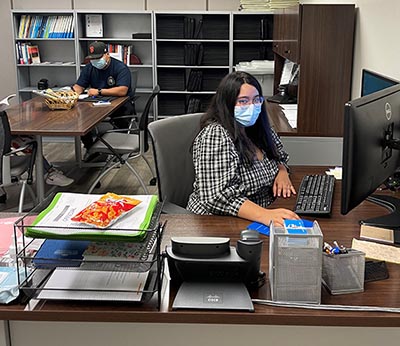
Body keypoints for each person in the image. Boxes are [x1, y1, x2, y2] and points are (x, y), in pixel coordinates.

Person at [187, 71, 300, 227]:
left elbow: (280, 156)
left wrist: (282, 171)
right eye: (243, 101)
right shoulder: (216, 135)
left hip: (255, 215)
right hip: (216, 222)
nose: (251, 107)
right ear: (227, 103)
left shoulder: (257, 128)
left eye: (256, 100)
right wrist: (265, 215)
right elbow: (216, 196)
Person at [72, 41, 135, 152]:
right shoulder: (89, 68)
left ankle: (118, 149)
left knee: (124, 112)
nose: (95, 61)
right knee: (80, 116)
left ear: (107, 54)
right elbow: (79, 86)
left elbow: (122, 90)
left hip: (118, 102)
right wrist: (71, 94)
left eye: (98, 58)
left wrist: (99, 91)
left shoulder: (120, 68)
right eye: (93, 59)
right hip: (95, 102)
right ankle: (90, 148)